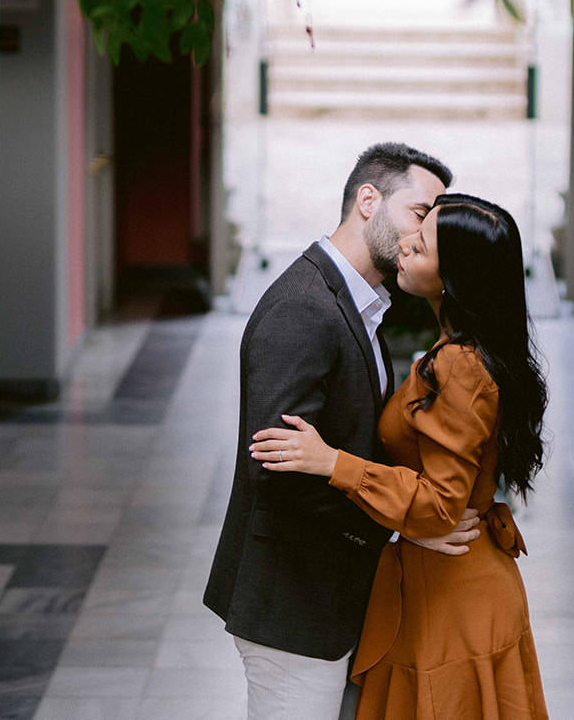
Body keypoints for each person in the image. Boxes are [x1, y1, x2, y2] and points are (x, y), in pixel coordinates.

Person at [204, 143, 480, 718]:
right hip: (293, 604)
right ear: (367, 199)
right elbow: (276, 472)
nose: (421, 236)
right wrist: (404, 526)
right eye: (419, 213)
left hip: (334, 593)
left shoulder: (364, 305)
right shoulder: (304, 309)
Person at [250, 193, 550, 719]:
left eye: (425, 242)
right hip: (445, 586)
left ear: (456, 274)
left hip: (453, 598)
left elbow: (440, 508)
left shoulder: (459, 365)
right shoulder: (459, 350)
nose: (407, 243)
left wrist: (331, 463)